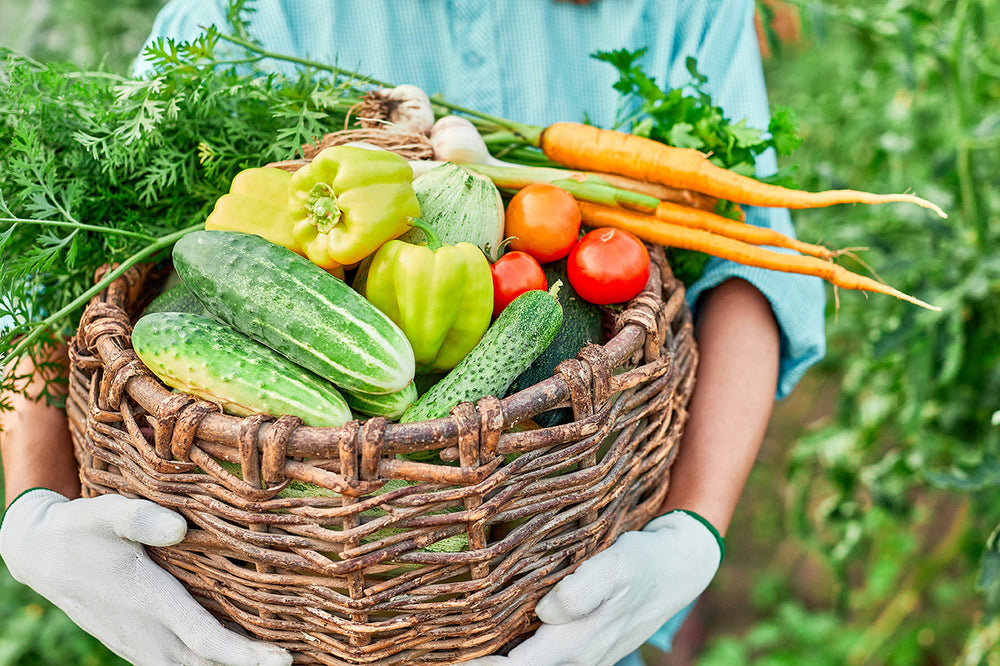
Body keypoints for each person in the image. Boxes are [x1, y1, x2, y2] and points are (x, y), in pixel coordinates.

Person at [0, 1, 826, 665]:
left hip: (573, 590)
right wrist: (33, 505)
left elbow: (759, 266)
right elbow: (77, 261)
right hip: (283, 596)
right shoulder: (245, 10)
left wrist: (692, 532)